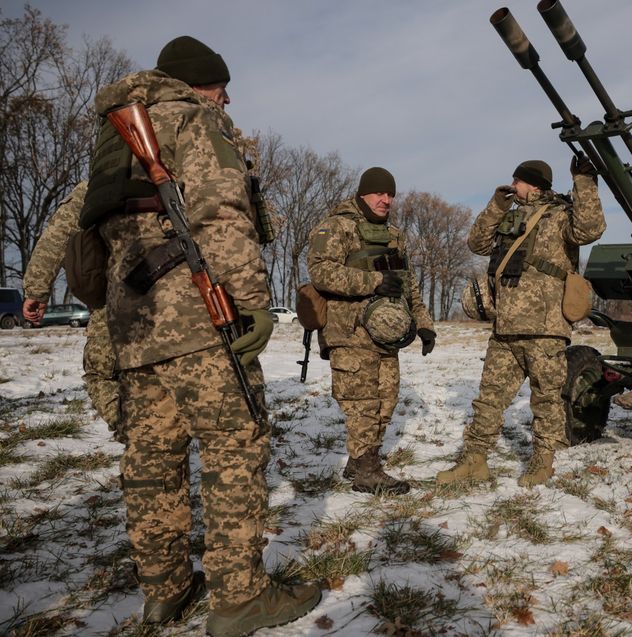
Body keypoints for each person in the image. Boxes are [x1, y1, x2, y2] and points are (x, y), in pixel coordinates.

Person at [81, 36, 320, 636]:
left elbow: (91, 239)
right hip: (195, 319)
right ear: (198, 86)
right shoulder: (194, 122)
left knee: (152, 459)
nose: (228, 98)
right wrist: (253, 304)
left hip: (133, 326)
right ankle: (239, 598)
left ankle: (166, 592)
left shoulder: (110, 139)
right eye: (222, 87)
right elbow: (220, 216)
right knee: (234, 448)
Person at [436, 156, 605, 487]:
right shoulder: (510, 218)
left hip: (545, 328)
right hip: (505, 328)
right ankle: (474, 461)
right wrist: (497, 205)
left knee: (546, 399)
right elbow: (477, 243)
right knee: (488, 400)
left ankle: (543, 463)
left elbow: (590, 228)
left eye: (517, 182)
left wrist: (584, 182)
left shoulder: (561, 216)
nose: (512, 187)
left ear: (534, 184)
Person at [307, 167, 435, 495]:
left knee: (386, 400)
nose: (386, 200)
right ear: (363, 193)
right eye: (379, 193)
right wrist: (374, 281)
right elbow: (321, 272)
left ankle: (359, 459)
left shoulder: (394, 235)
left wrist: (423, 323)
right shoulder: (336, 226)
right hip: (349, 331)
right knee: (362, 401)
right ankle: (367, 470)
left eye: (390, 194)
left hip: (386, 332)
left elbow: (408, 283)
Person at [22, 181, 120, 428]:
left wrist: (37, 289)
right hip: (188, 295)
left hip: (117, 296)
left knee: (102, 375)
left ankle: (143, 443)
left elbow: (60, 233)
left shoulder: (107, 173)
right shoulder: (193, 160)